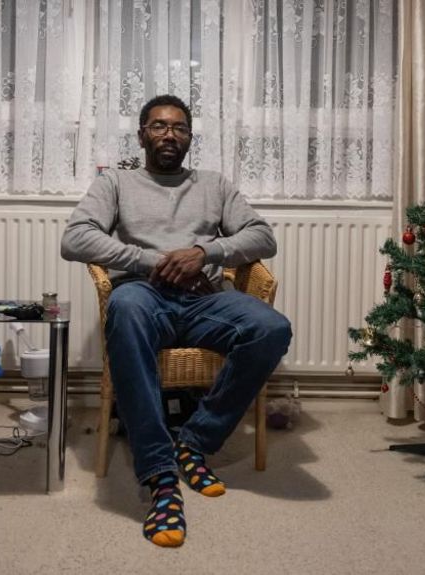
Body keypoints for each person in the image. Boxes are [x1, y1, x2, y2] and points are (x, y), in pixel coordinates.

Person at [60, 94, 292, 548]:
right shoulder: (117, 184)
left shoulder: (213, 184)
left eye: (180, 128)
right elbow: (75, 238)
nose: (170, 134)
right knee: (124, 308)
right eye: (160, 126)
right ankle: (161, 475)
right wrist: (153, 262)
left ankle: (194, 440)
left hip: (206, 300)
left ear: (190, 137)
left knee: (271, 328)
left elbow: (263, 237)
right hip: (145, 296)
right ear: (142, 133)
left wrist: (205, 253)